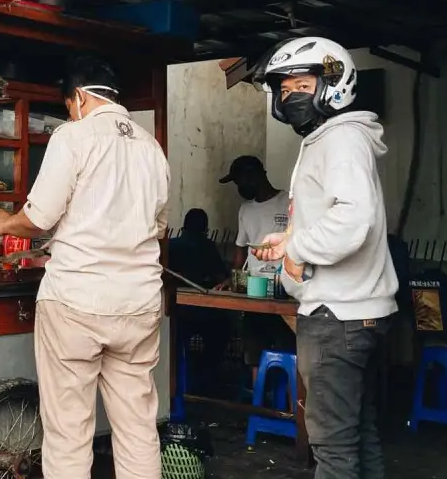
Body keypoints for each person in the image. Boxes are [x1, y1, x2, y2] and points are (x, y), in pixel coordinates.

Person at [0, 56, 170, 479]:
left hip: (76, 301)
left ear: (81, 98)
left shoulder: (73, 136)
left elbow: (39, 217)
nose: (69, 113)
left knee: (69, 431)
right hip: (139, 304)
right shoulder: (150, 145)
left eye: (68, 105)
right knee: (137, 428)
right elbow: (159, 223)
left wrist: (3, 223)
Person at [251, 37, 397, 479]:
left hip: (338, 317)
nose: (290, 94)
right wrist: (290, 238)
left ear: (333, 83)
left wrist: (296, 248)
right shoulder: (329, 139)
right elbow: (334, 213)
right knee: (358, 435)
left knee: (331, 447)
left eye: (301, 83)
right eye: (284, 88)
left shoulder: (342, 139)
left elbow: (355, 219)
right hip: (353, 312)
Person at [221, 154, 296, 369]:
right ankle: (258, 400)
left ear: (254, 176)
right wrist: (232, 279)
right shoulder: (245, 209)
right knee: (253, 350)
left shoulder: (288, 202)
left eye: (239, 181)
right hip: (256, 293)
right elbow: (240, 250)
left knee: (288, 349)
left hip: (286, 292)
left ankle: (288, 401)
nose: (238, 187)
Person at [168, 208, 231, 396]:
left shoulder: (171, 245)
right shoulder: (207, 246)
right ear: (206, 228)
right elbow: (221, 277)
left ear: (183, 226)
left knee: (178, 344)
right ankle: (207, 379)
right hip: (203, 314)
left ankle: (182, 378)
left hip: (174, 314)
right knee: (222, 330)